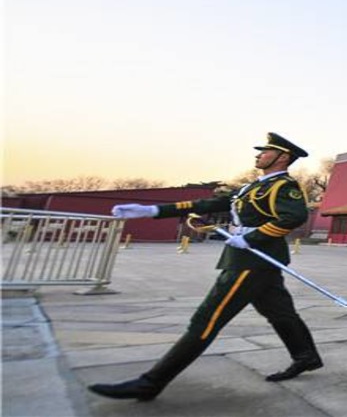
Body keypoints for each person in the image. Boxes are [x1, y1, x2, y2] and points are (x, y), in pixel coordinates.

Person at [88, 133, 322, 401]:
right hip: (249, 258)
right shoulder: (251, 187)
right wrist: (151, 211)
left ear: (282, 157)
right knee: (280, 313)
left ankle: (150, 383)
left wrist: (251, 237)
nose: (258, 155)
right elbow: (206, 204)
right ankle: (306, 356)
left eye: (265, 152)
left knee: (206, 320)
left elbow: (294, 216)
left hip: (252, 260)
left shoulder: (283, 186)